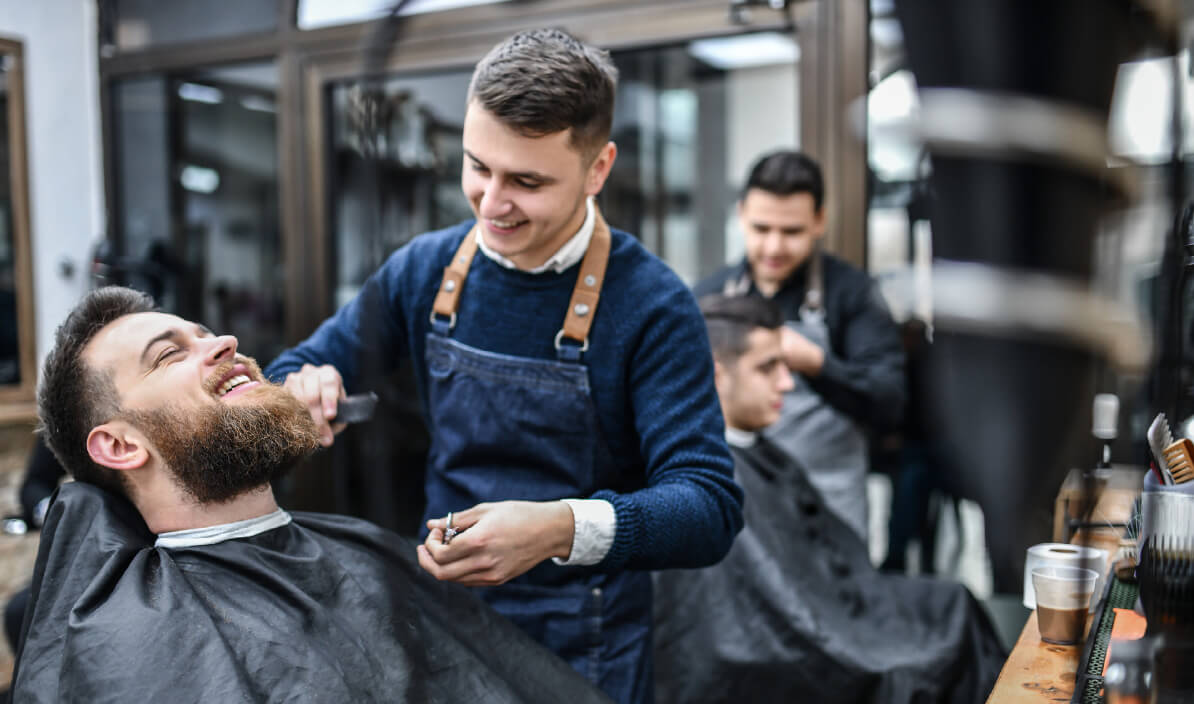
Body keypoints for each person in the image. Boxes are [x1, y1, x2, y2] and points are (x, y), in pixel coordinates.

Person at [264, 28, 742, 703]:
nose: (490, 205)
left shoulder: (653, 305)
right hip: (443, 619)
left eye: (526, 181)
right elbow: (301, 363)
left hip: (586, 641)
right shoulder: (424, 269)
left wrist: (557, 529)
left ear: (597, 168)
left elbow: (708, 507)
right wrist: (302, 386)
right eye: (477, 167)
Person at [11, 286, 611, 704]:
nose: (222, 341)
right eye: (170, 354)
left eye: (206, 333)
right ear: (118, 447)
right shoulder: (138, 646)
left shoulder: (365, 554)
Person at [652, 295, 1005, 704]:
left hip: (834, 612)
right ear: (714, 376)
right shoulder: (708, 480)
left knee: (954, 603)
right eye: (769, 368)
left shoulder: (758, 450)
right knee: (928, 655)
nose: (787, 382)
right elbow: (763, 625)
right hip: (802, 648)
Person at [696, 150, 907, 540]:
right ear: (741, 214)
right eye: (761, 229)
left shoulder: (853, 294)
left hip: (830, 504)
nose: (774, 247)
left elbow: (889, 401)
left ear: (819, 221)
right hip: (740, 499)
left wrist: (816, 363)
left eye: (791, 232)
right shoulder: (710, 298)